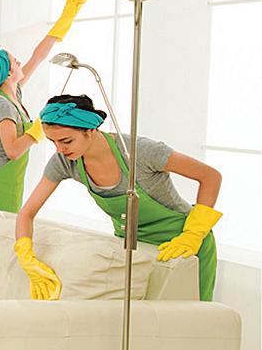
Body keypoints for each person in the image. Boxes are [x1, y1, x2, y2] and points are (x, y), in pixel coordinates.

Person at [13, 95, 224, 301]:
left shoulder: (141, 152)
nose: (60, 149)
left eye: (66, 141)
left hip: (184, 246)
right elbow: (27, 213)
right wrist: (25, 256)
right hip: (134, 250)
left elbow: (210, 177)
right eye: (53, 142)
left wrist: (193, 235)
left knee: (190, 319)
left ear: (90, 129)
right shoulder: (65, 162)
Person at [0, 0, 90, 212]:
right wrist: (39, 128)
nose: (19, 61)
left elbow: (39, 55)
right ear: (8, 73)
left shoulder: (14, 92)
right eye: (15, 60)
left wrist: (68, 14)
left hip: (5, 184)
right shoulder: (2, 106)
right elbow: (13, 151)